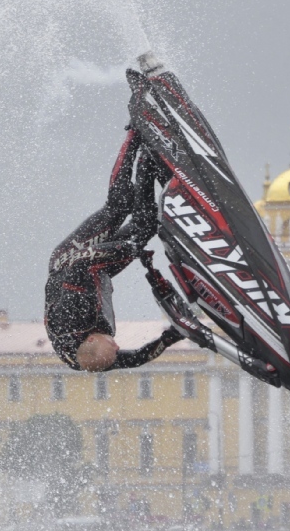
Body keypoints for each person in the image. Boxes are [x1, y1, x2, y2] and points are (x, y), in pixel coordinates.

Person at [44, 129, 185, 372]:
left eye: (113, 345)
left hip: (70, 259)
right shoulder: (95, 357)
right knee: (146, 225)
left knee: (119, 205)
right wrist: (168, 339)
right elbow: (135, 359)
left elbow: (80, 262)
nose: (118, 346)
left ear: (90, 339)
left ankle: (135, 133)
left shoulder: (73, 315)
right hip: (97, 272)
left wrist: (126, 248)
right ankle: (148, 161)